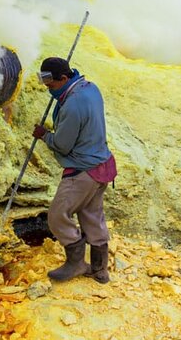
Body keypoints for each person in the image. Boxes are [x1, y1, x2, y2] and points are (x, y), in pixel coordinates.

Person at [32, 56, 117, 283]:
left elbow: (62, 145)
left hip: (83, 171)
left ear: (63, 78)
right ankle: (99, 270)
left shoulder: (72, 104)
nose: (49, 90)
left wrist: (45, 136)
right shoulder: (90, 88)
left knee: (58, 215)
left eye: (51, 86)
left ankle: (77, 263)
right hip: (102, 163)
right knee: (92, 215)